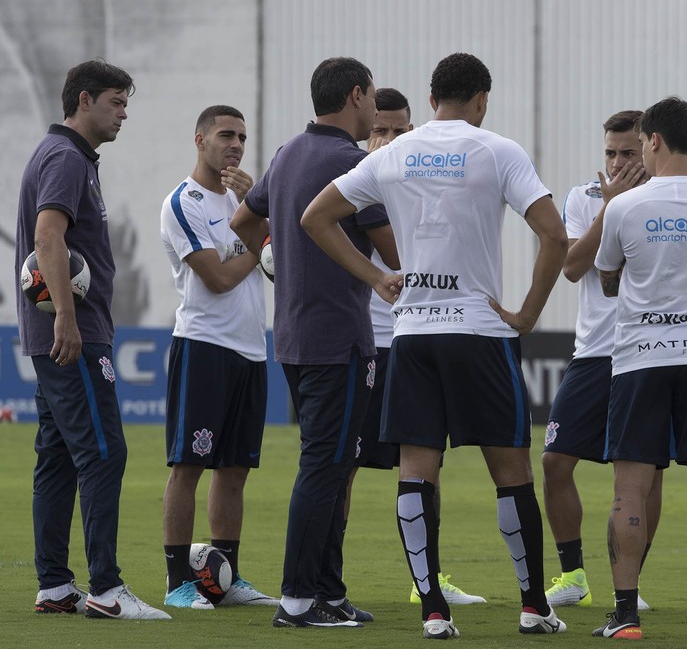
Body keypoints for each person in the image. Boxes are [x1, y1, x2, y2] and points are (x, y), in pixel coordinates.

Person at [299, 52, 569, 639]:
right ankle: (532, 607)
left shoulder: (392, 152)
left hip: (414, 333)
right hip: (479, 329)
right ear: (481, 100)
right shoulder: (498, 149)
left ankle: (432, 611)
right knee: (511, 470)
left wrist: (375, 279)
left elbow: (314, 217)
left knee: (416, 471)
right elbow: (554, 234)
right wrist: (526, 313)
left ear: (429, 99)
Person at [543, 110, 687, 612]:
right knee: (556, 462)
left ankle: (627, 595)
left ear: (649, 145)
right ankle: (577, 575)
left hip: (638, 352)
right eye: (610, 154)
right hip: (607, 351)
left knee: (642, 476)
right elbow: (572, 269)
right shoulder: (588, 198)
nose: (619, 161)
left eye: (629, 150)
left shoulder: (646, 205)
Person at [230, 57, 399, 629]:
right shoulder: (355, 165)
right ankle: (299, 600)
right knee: (325, 468)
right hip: (341, 340)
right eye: (373, 97)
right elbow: (395, 254)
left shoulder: (287, 154)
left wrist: (285, 262)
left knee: (331, 462)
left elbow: (243, 227)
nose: (375, 109)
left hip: (295, 336)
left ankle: (328, 590)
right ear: (356, 95)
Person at [16, 59, 169, 620]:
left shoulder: (69, 156)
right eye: (117, 102)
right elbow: (47, 235)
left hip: (67, 331)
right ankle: (106, 589)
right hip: (74, 335)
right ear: (84, 100)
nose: (124, 113)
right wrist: (65, 318)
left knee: (57, 456)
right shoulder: (64, 157)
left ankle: (56, 586)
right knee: (105, 451)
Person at [593, 97, 687, 641]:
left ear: (652, 140)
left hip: (640, 358)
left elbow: (608, 280)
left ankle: (625, 616)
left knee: (629, 491)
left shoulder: (624, 207)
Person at [346, 87, 486, 606]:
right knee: (345, 465)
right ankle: (328, 578)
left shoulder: (423, 184)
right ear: (366, 134)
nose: (388, 139)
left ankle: (429, 578)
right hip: (363, 344)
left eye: (399, 131)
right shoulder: (354, 188)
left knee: (428, 463)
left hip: (416, 339)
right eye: (379, 129)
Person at [159, 105, 278, 609]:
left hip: (251, 349)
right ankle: (177, 583)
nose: (234, 145)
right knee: (188, 465)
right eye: (225, 135)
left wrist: (257, 210)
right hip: (204, 345)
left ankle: (224, 579)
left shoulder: (244, 201)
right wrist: (261, 242)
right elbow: (220, 276)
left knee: (235, 470)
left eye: (242, 138)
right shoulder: (183, 202)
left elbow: (277, 268)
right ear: (200, 139)